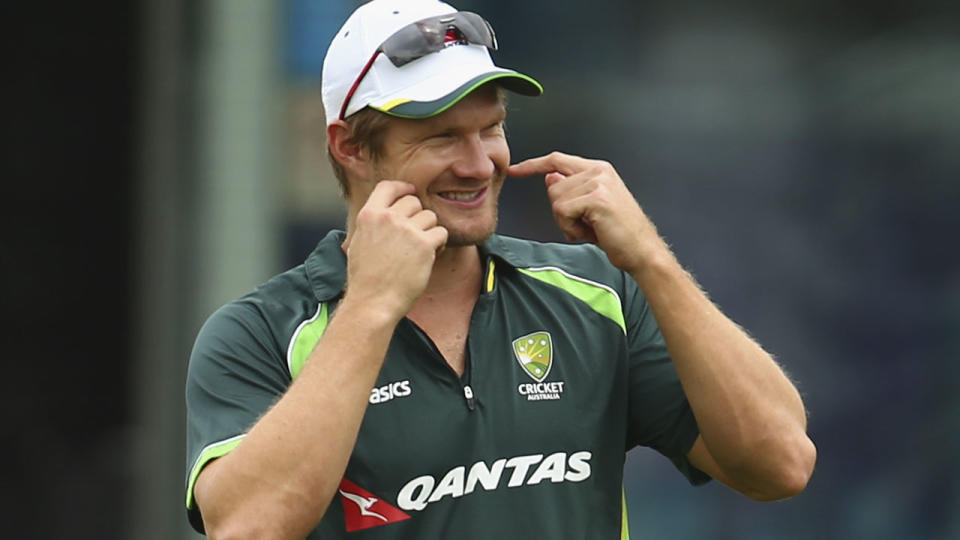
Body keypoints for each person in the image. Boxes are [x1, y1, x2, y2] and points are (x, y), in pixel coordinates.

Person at [184, 1, 817, 538]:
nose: (479, 164)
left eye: (492, 128)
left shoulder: (597, 294)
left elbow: (780, 464)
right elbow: (249, 527)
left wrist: (650, 259)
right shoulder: (259, 333)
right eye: (440, 138)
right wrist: (373, 305)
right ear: (349, 146)